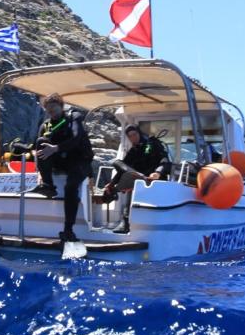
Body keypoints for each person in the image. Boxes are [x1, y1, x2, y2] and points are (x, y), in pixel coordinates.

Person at [27, 93, 94, 243]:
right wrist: (40, 170)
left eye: (54, 109)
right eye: (49, 111)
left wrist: (55, 148)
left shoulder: (73, 117)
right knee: (41, 141)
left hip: (80, 159)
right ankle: (48, 185)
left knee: (71, 186)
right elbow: (35, 148)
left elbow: (76, 138)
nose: (52, 113)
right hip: (61, 159)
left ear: (61, 106)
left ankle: (68, 230)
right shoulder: (46, 125)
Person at [103, 124, 171, 233]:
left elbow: (165, 161)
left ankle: (127, 223)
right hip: (139, 179)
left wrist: (157, 173)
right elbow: (123, 168)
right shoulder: (133, 151)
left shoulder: (153, 144)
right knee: (117, 163)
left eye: (134, 134)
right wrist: (111, 183)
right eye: (130, 136)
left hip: (153, 181)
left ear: (139, 133)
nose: (132, 137)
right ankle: (125, 222)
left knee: (134, 182)